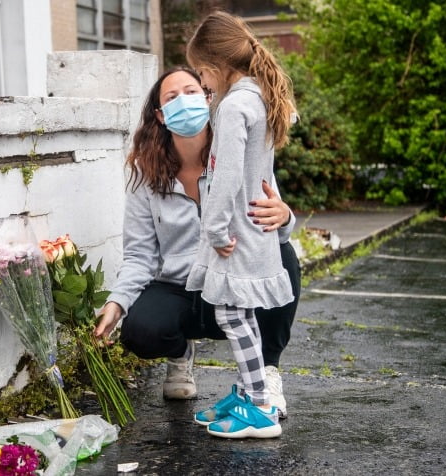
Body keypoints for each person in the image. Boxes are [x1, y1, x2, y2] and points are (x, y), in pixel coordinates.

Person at [93, 65, 300, 421]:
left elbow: (275, 227)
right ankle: (181, 354)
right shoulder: (147, 175)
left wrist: (285, 216)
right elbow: (140, 254)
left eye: (192, 92)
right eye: (171, 98)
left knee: (284, 257)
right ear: (159, 115)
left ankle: (266, 371)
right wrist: (117, 302)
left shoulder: (240, 153)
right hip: (181, 288)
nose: (184, 102)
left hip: (233, 282)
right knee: (140, 331)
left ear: (209, 99)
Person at [183, 11, 298, 439]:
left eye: (200, 72)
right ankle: (253, 397)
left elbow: (227, 175)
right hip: (253, 228)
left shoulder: (235, 106)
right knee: (240, 312)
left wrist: (212, 230)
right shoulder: (258, 97)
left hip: (235, 232)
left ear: (214, 66)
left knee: (231, 314)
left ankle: (261, 408)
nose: (201, 82)